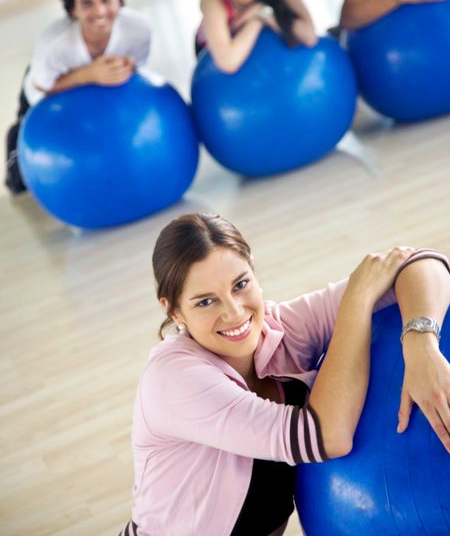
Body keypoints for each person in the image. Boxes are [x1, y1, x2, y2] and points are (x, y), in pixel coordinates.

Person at [119, 212, 450, 536]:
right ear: (174, 310)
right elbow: (326, 437)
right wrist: (358, 299)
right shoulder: (174, 379)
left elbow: (421, 262)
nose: (234, 313)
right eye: (206, 301)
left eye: (240, 284)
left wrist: (421, 345)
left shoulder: (279, 331)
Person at [5, 0, 151, 194]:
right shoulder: (53, 44)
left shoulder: (139, 28)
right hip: (47, 89)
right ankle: (16, 159)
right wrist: (89, 73)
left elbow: (136, 73)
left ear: (119, 0)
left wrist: (120, 69)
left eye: (106, 0)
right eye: (87, 3)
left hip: (101, 88)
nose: (99, 11)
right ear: (73, 9)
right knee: (22, 174)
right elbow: (42, 89)